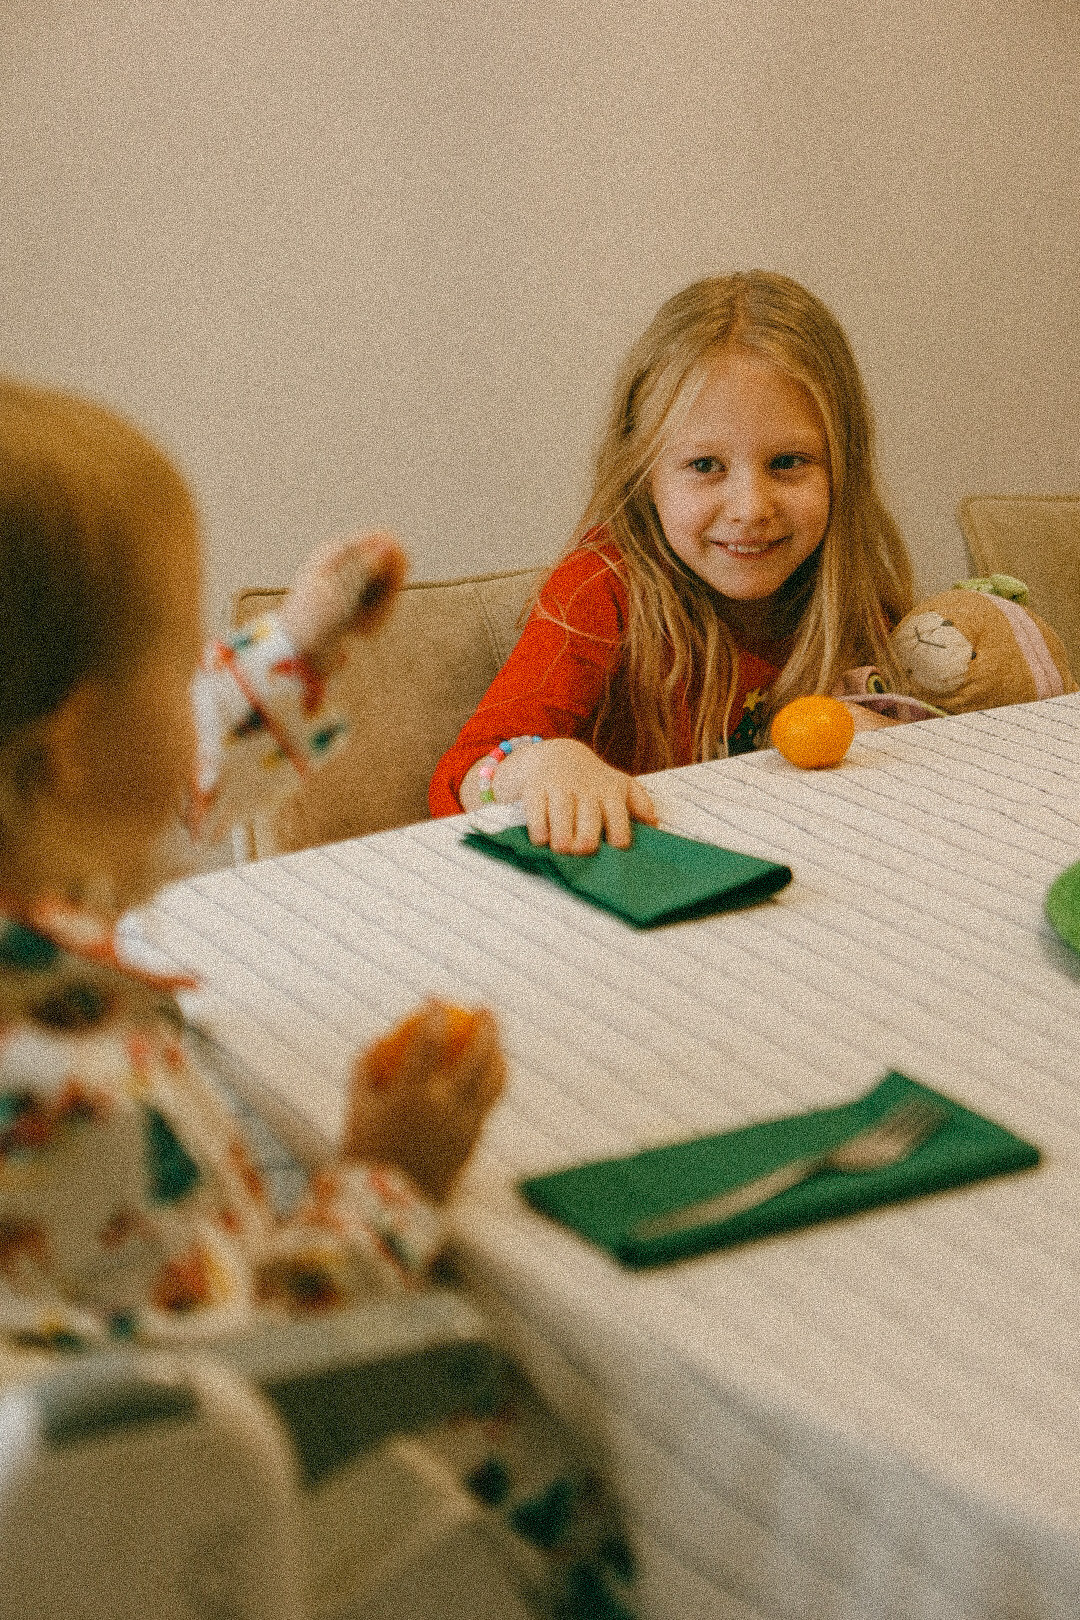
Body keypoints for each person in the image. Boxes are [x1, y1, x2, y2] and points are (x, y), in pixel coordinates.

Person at [0, 378, 635, 1619]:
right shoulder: (67, 1096)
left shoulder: (39, 844)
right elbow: (249, 1365)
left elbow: (167, 793)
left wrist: (296, 650)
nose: (199, 681)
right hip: (285, 1531)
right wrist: (390, 1176)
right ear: (69, 742)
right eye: (180, 650)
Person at [430, 270, 915, 853]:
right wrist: (536, 767)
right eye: (706, 465)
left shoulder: (846, 586)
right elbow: (462, 777)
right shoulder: (601, 589)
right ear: (646, 474)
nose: (751, 507)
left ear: (844, 468)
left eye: (788, 462)